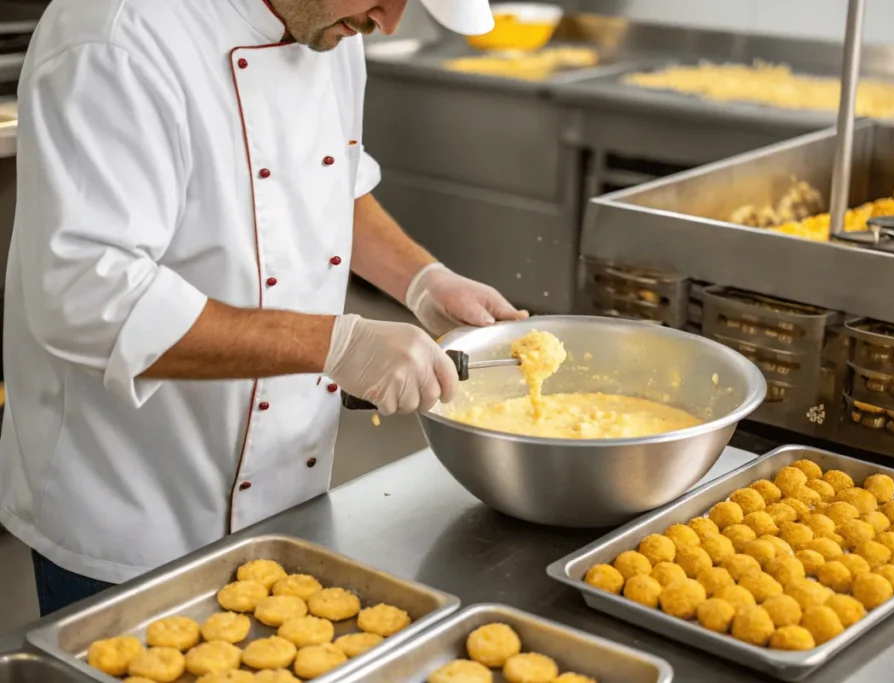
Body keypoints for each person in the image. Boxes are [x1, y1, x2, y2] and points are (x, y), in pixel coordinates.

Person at [0, 0, 523, 616]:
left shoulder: (331, 23)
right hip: (135, 507)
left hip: (290, 502)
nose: (389, 23)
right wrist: (337, 347)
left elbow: (335, 183)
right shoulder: (115, 34)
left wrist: (423, 281)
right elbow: (88, 298)